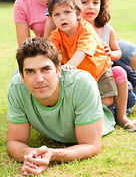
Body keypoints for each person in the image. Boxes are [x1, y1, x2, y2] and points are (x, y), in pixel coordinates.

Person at [7, 37, 115, 176]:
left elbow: (91, 145)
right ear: (22, 75)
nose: (39, 79)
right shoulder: (17, 86)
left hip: (103, 110)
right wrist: (31, 154)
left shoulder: (82, 83)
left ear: (59, 69)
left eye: (45, 69)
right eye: (30, 71)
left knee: (125, 99)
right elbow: (15, 142)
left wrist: (53, 154)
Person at [47, 0, 136, 131]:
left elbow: (82, 51)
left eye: (67, 12)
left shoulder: (86, 29)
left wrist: (69, 65)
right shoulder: (57, 34)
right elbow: (48, 49)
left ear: (77, 14)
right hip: (80, 75)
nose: (62, 18)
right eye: (56, 14)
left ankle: (121, 116)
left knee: (107, 99)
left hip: (99, 72)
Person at [74, 0, 136, 114]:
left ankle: (117, 109)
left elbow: (117, 52)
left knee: (129, 98)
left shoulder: (106, 29)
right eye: (84, 2)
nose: (90, 7)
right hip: (84, 77)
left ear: (101, 4)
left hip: (105, 74)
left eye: (95, 2)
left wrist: (110, 53)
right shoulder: (73, 29)